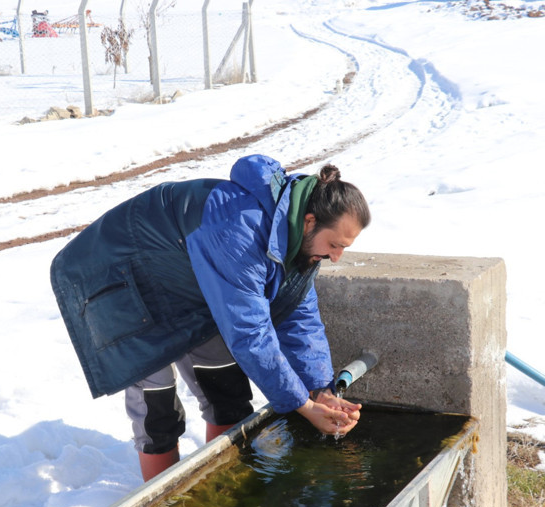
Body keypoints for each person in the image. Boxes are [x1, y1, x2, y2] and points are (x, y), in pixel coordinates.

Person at [50, 154, 371, 481]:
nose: (336, 256)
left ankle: (223, 492)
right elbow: (250, 334)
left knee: (227, 396)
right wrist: (303, 405)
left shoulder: (299, 241)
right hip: (123, 283)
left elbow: (299, 315)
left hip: (192, 290)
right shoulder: (239, 227)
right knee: (157, 410)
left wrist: (320, 389)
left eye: (343, 247)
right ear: (310, 221)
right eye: (334, 245)